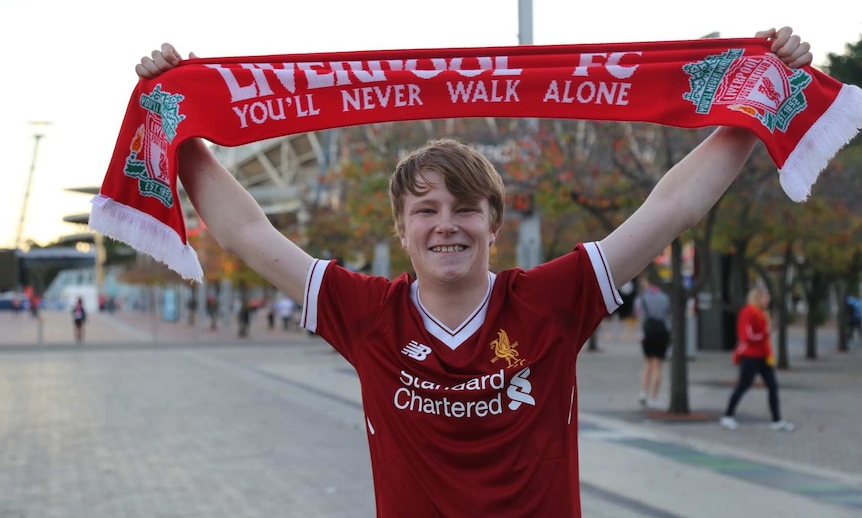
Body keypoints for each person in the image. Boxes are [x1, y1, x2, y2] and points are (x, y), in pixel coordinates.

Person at [135, 27, 811, 517]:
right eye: (424, 210)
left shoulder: (552, 297)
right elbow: (248, 232)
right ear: (401, 230)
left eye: (465, 208)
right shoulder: (367, 312)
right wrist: (179, 119)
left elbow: (669, 208)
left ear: (495, 223)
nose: (446, 224)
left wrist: (754, 107)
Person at [720, 285, 795, 432]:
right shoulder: (748, 312)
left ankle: (776, 420)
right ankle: (727, 416)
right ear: (757, 297)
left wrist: (767, 332)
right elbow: (747, 336)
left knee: (772, 386)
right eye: (765, 296)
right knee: (743, 385)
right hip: (750, 355)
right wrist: (765, 333)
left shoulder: (762, 313)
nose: (768, 299)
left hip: (763, 355)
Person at [635, 274, 671, 408]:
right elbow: (668, 315)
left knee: (648, 362)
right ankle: (654, 397)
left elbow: (640, 316)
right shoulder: (665, 298)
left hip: (648, 331)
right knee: (658, 364)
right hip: (662, 331)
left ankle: (643, 392)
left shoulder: (642, 299)